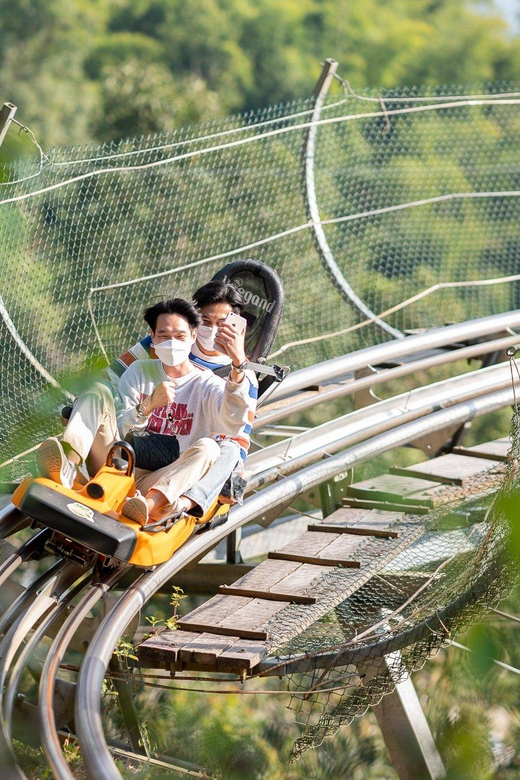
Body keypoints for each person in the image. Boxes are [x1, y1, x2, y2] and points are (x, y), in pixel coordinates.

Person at [37, 295, 255, 526]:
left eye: (179, 336)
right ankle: (68, 465)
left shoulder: (207, 385)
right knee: (97, 391)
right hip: (118, 464)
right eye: (164, 336)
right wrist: (147, 406)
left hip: (160, 479)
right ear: (152, 338)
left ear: (192, 336)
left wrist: (238, 365)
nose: (172, 343)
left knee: (210, 448)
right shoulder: (139, 371)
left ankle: (146, 506)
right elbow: (119, 430)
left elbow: (233, 423)